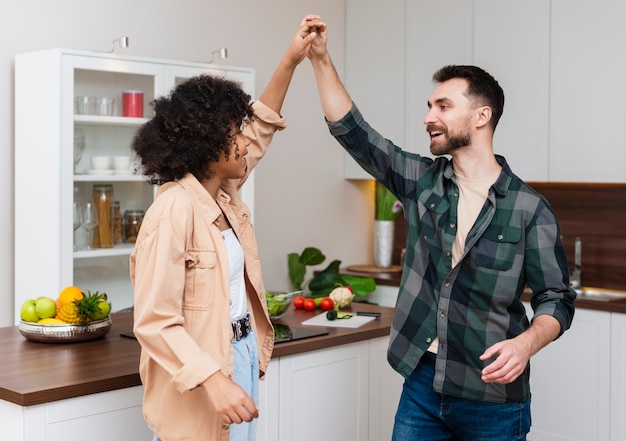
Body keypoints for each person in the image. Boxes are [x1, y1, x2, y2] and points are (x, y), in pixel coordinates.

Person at [302, 16, 576, 441]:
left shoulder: (529, 209)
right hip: (422, 385)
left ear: (482, 115)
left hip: (493, 397)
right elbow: (355, 133)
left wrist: (526, 344)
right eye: (430, 106)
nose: (429, 116)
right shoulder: (421, 181)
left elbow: (556, 298)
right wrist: (319, 58)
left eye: (443, 106)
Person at [129, 20, 322, 441]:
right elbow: (154, 322)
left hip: (241, 352)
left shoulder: (223, 193)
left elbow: (263, 125)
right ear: (209, 146)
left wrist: (291, 59)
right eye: (234, 132)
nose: (243, 142)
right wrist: (213, 380)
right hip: (202, 369)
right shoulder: (173, 211)